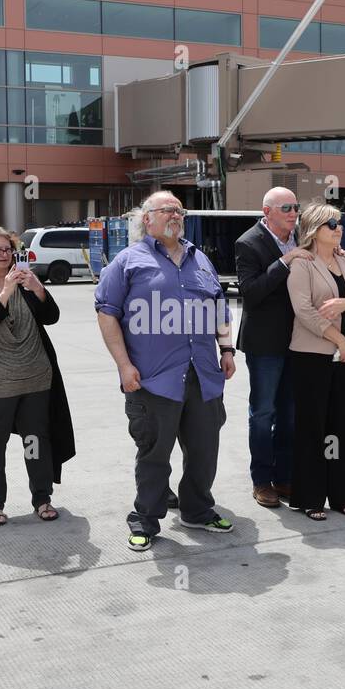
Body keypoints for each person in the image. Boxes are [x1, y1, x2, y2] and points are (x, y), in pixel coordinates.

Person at [94, 191, 236, 552]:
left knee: (204, 450)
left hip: (203, 376)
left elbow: (219, 307)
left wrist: (227, 349)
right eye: (168, 210)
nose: (176, 215)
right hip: (152, 379)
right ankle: (145, 519)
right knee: (154, 455)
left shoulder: (200, 259)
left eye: (179, 210)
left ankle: (197, 510)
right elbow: (107, 313)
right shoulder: (128, 262)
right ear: (148, 219)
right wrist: (124, 366)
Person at [0, 226, 75, 525]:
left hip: (35, 376)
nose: (4, 255)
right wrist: (6, 292)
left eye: (8, 249)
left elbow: (52, 317)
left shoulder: (24, 283)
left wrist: (36, 287)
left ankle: (42, 497)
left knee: (35, 439)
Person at [286, 202, 345, 519]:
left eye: (340, 224)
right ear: (314, 229)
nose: (338, 229)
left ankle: (340, 494)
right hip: (313, 355)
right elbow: (304, 310)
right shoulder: (303, 264)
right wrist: (338, 338)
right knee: (314, 427)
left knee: (340, 426)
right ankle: (310, 497)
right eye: (331, 224)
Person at [235, 186, 313, 508]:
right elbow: (251, 293)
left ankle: (284, 477)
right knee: (263, 412)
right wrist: (285, 261)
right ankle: (261, 480)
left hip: (298, 340)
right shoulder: (248, 243)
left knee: (290, 413)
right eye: (286, 208)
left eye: (295, 207)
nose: (294, 213)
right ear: (267, 212)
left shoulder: (303, 237)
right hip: (265, 344)